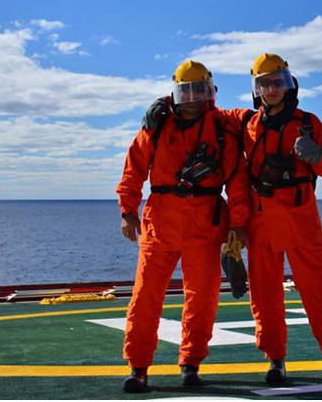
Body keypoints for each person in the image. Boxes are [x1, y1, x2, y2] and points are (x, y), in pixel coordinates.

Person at [116, 60, 249, 393]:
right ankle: (139, 367)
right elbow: (134, 168)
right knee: (145, 298)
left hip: (206, 222)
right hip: (159, 222)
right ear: (175, 93)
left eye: (199, 89)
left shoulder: (222, 129)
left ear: (210, 92)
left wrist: (239, 224)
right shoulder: (156, 126)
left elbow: (236, 181)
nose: (192, 97)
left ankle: (191, 364)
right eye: (186, 90)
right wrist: (127, 210)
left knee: (201, 299)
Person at [239, 53, 322, 384]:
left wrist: (317, 155)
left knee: (317, 291)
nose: (271, 88)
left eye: (277, 82)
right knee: (265, 296)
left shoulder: (308, 122)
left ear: (289, 84)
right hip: (261, 221)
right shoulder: (249, 127)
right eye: (264, 83)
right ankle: (276, 360)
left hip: (300, 219)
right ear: (256, 89)